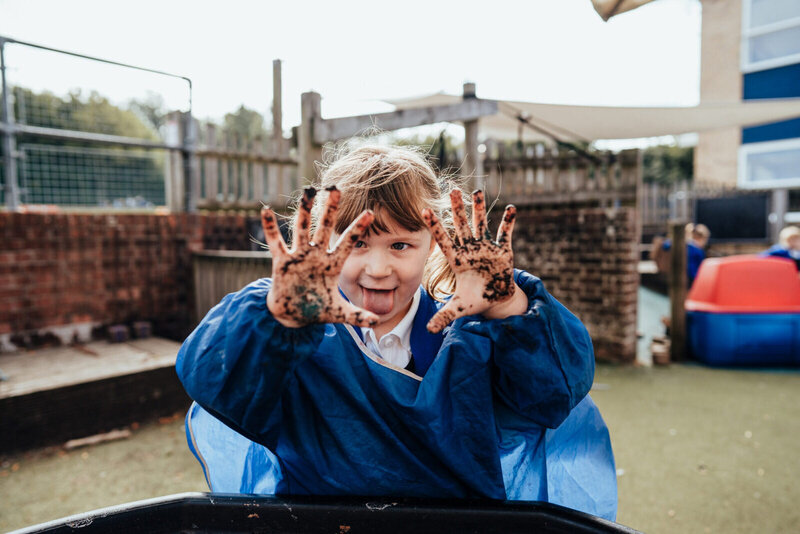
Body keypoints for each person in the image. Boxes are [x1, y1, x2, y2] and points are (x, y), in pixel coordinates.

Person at [176, 145, 617, 520]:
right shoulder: (293, 338)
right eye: (358, 244)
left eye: (400, 246)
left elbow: (557, 393)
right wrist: (279, 315)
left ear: (435, 244)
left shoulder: (470, 337)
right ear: (323, 239)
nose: (378, 268)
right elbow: (210, 381)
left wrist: (507, 305)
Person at [652, 222, 710, 287]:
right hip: (692, 276)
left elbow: (666, 246)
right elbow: (701, 266)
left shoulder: (686, 245)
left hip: (680, 274)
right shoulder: (696, 250)